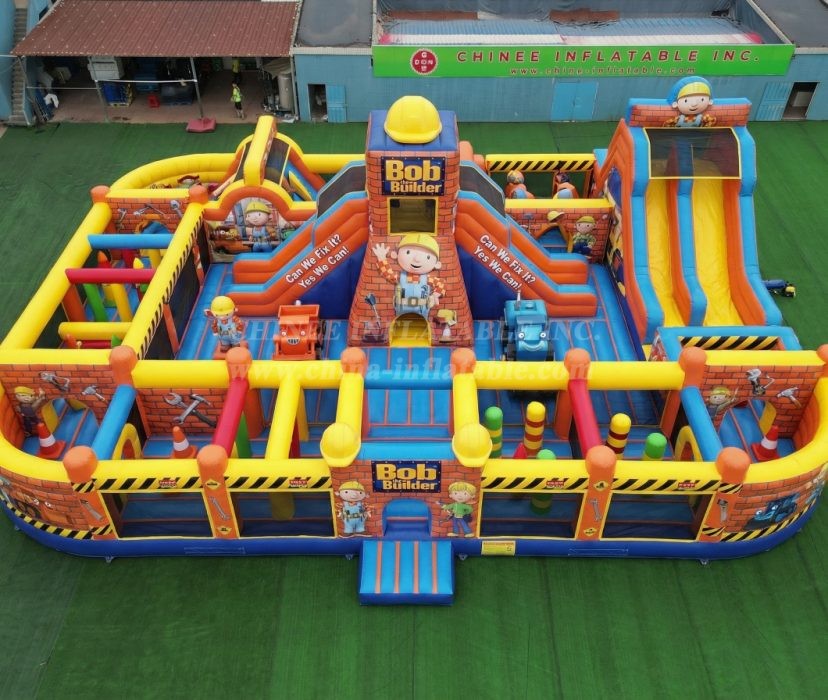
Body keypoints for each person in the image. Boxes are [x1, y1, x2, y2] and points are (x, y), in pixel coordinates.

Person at [372, 234, 445, 319]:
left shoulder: (428, 279)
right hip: (401, 313)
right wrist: (381, 258)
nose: (417, 259)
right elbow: (389, 275)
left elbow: (440, 284)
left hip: (422, 314)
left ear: (437, 264)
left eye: (428, 257)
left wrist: (435, 295)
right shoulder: (401, 277)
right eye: (408, 252)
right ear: (395, 255)